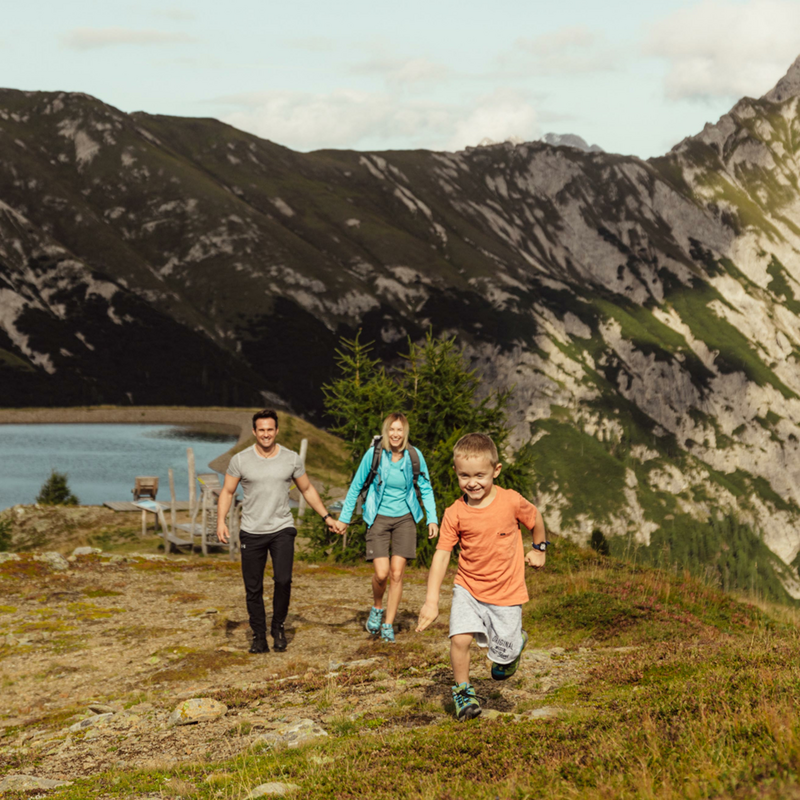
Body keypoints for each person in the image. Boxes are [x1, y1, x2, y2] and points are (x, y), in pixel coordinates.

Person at [415, 432, 548, 721]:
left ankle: (513, 647)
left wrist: (539, 548)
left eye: (480, 475)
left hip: (506, 591)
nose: (472, 482)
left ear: (495, 471)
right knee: (459, 639)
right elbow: (442, 555)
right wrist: (431, 601)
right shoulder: (454, 513)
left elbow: (535, 518)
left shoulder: (511, 501)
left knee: (502, 662)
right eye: (464, 475)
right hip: (468, 587)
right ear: (455, 472)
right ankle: (463, 692)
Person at [217, 409, 339, 654]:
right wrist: (221, 521)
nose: (266, 434)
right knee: (253, 587)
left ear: (277, 431)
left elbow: (307, 489)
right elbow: (228, 492)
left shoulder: (291, 459)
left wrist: (326, 516)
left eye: (270, 430)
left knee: (283, 580)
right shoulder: (240, 460)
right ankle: (258, 636)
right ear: (254, 432)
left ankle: (278, 627)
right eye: (261, 430)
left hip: (282, 528)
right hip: (251, 530)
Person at [336, 412, 438, 643]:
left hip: (405, 518)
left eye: (399, 429)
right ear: (386, 431)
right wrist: (344, 518)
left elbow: (426, 487)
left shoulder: (414, 456)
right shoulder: (374, 454)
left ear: (405, 432)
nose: (395, 434)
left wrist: (432, 519)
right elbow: (355, 486)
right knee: (381, 574)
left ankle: (388, 625)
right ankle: (377, 607)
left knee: (397, 573)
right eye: (391, 429)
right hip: (378, 517)